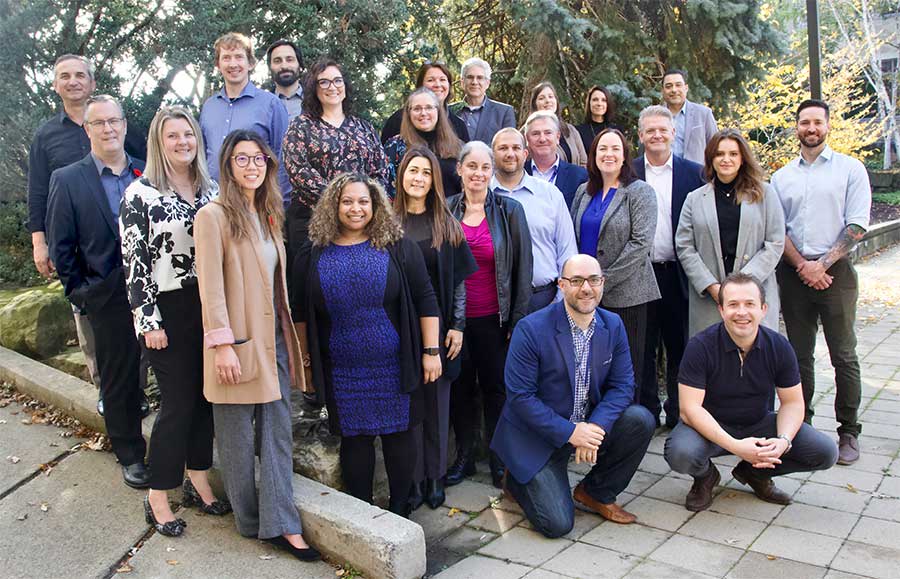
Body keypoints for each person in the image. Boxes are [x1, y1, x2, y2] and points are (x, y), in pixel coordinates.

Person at [194, 130, 319, 561]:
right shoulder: (213, 216)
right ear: (228, 165)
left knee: (278, 433)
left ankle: (281, 524)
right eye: (242, 159)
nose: (252, 166)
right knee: (234, 439)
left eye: (259, 158)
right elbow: (210, 287)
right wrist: (222, 344)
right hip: (237, 343)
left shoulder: (270, 213)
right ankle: (249, 521)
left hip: (274, 344)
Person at [291, 172, 441, 517]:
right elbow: (299, 311)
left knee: (399, 437)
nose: (355, 209)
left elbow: (426, 298)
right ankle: (364, 514)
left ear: (376, 206)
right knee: (354, 441)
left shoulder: (398, 248)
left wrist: (431, 352)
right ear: (333, 206)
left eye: (363, 201)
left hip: (395, 363)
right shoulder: (312, 253)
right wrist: (307, 364)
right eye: (347, 201)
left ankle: (401, 512)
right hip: (342, 369)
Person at [120, 106, 230, 537]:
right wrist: (148, 321)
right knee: (178, 404)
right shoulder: (140, 194)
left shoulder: (212, 190)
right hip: (166, 310)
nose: (183, 142)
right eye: (173, 136)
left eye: (189, 134)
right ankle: (158, 494)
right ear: (158, 143)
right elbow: (135, 266)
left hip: (208, 306)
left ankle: (198, 477)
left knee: (206, 399)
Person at [493, 255, 656, 537]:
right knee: (557, 525)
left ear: (602, 283)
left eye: (594, 280)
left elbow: (623, 386)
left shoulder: (612, 325)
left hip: (585, 424)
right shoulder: (531, 329)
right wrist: (571, 432)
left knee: (640, 420)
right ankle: (516, 481)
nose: (586, 288)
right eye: (576, 281)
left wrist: (593, 429)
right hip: (537, 436)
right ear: (562, 285)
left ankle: (595, 491)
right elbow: (520, 398)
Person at [28, 54, 147, 407]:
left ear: (92, 82)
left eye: (80, 75)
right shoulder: (46, 135)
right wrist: (40, 241)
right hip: (85, 252)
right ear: (56, 85)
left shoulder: (121, 124)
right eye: (65, 76)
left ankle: (135, 390)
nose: (73, 81)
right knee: (92, 329)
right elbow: (37, 191)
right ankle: (106, 390)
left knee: (135, 324)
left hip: (129, 248)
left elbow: (145, 170)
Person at [664, 273, 838, 512]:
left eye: (749, 304)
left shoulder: (779, 346)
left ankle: (754, 473)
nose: (742, 312)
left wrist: (783, 440)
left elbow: (793, 403)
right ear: (721, 310)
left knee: (825, 452)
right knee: (680, 453)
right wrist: (736, 446)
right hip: (710, 425)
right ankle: (705, 477)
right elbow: (689, 409)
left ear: (763, 309)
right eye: (733, 305)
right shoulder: (700, 346)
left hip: (758, 423)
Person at [46, 95, 148, 489]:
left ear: (124, 125)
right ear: (87, 130)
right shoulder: (68, 179)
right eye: (99, 123)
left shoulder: (147, 171)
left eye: (114, 121)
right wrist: (84, 295)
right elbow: (62, 247)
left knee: (167, 373)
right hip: (106, 296)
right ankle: (131, 454)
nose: (108, 129)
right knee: (119, 378)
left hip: (156, 293)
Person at [771, 99, 872, 466]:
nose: (810, 128)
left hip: (837, 272)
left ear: (828, 125)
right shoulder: (782, 177)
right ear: (796, 127)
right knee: (798, 357)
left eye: (817, 122)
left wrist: (823, 263)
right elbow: (777, 228)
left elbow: (858, 224)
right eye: (804, 123)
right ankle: (802, 427)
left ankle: (848, 431)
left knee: (843, 354)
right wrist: (803, 265)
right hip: (795, 272)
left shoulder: (850, 169)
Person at [393, 147, 478, 510]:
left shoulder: (446, 222)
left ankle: (435, 477)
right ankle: (410, 480)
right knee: (408, 408)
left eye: (426, 173)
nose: (418, 178)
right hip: (398, 328)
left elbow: (460, 282)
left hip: (439, 328)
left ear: (434, 180)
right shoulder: (388, 222)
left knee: (437, 407)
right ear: (401, 176)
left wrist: (457, 325)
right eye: (413, 171)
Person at [446, 141, 533, 488]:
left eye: (485, 167)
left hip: (496, 320)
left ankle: (499, 460)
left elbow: (523, 269)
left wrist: (517, 320)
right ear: (460, 170)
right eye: (472, 167)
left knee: (498, 390)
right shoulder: (447, 210)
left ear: (492, 171)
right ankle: (465, 457)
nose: (478, 173)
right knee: (461, 390)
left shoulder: (510, 211)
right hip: (457, 323)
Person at [571, 128, 659, 401]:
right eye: (602, 149)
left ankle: (631, 429)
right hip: (585, 296)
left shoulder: (639, 192)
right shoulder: (583, 192)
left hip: (628, 295)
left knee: (627, 367)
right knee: (592, 366)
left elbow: (640, 244)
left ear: (624, 156)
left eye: (615, 149)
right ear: (593, 156)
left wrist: (603, 281)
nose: (608, 154)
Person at [633, 105, 706, 428]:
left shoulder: (695, 173)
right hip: (641, 274)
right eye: (650, 130)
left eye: (663, 129)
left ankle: (680, 412)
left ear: (673, 133)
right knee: (643, 347)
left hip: (679, 274)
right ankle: (648, 412)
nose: (657, 135)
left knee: (681, 346)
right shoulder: (630, 172)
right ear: (641, 136)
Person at [676, 129, 785, 340]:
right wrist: (712, 287)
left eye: (733, 154)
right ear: (710, 159)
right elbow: (684, 245)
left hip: (754, 293)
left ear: (742, 158)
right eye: (719, 154)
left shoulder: (764, 194)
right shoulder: (694, 199)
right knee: (712, 362)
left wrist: (742, 286)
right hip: (710, 298)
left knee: (756, 361)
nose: (726, 159)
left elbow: (775, 242)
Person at [282, 58, 389, 266]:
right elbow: (298, 171)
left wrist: (359, 204)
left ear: (345, 87)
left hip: (360, 222)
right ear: (314, 88)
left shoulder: (363, 128)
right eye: (324, 82)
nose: (332, 87)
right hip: (312, 223)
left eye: (338, 81)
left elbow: (381, 170)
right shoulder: (300, 127)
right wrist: (341, 202)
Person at [491, 127, 576, 312]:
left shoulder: (550, 194)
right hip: (493, 304)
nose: (510, 154)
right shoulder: (482, 195)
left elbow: (567, 250)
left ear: (525, 153)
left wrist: (560, 301)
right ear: (492, 154)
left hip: (543, 299)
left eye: (515, 148)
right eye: (503, 148)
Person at [199, 32, 290, 203]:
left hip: (256, 204)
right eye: (226, 58)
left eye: (239, 57)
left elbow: (282, 160)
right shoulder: (209, 107)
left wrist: (279, 205)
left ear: (250, 63)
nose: (233, 64)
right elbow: (202, 156)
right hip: (213, 202)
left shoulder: (271, 104)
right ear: (218, 64)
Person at [383, 88, 463, 199]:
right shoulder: (394, 146)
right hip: (408, 214)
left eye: (429, 107)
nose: (423, 113)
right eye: (417, 109)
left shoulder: (457, 146)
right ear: (408, 113)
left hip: (452, 214)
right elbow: (387, 191)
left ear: (438, 111)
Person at [381, 61, 469, 144]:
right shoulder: (398, 120)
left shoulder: (458, 126)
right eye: (431, 80)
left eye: (442, 80)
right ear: (420, 85)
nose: (438, 85)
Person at [522, 111, 588, 208]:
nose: (542, 139)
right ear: (527, 139)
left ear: (557, 137)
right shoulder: (518, 174)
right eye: (535, 134)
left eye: (548, 133)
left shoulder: (579, 177)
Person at [449, 58, 516, 144]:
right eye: (470, 77)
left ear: (487, 83)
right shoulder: (448, 111)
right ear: (462, 82)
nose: (474, 82)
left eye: (480, 78)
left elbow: (508, 145)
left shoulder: (504, 113)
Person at [661, 69, 718, 164]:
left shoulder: (703, 114)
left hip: (697, 174)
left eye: (678, 85)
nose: (674, 90)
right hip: (663, 174)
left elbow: (715, 147)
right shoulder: (655, 116)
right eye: (668, 86)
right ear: (663, 90)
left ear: (686, 88)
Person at [526, 81, 587, 167]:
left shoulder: (571, 130)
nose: (547, 101)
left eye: (551, 97)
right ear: (534, 104)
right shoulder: (526, 132)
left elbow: (584, 162)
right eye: (541, 98)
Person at [267, 39, 304, 120]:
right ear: (270, 69)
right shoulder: (262, 104)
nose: (284, 66)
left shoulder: (318, 100)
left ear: (300, 66)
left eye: (289, 60)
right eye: (277, 61)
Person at [575, 85, 618, 154]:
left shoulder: (616, 130)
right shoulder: (578, 131)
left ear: (608, 104)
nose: (599, 103)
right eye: (595, 100)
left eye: (603, 100)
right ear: (589, 103)